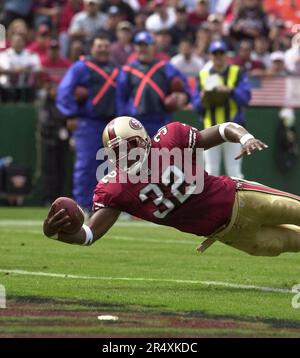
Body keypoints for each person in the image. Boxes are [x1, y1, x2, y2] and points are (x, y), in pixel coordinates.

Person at [43, 116, 300, 258]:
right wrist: (55, 234)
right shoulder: (115, 189)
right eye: (117, 150)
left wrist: (245, 137)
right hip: (228, 234)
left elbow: (222, 130)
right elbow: (89, 235)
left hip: (241, 199)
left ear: (144, 140)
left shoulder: (171, 139)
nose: (125, 154)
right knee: (287, 244)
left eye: (129, 145)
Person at [56, 34, 119, 211]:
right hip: (87, 122)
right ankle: (83, 204)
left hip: (112, 124)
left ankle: (107, 204)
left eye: (106, 46)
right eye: (99, 46)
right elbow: (64, 90)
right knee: (86, 164)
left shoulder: (117, 69)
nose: (103, 49)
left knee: (112, 167)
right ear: (92, 47)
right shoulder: (80, 67)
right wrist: (71, 114)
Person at [193, 41, 251, 178]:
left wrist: (230, 91)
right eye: (215, 53)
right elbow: (196, 105)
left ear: (226, 55)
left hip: (233, 129)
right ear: (210, 56)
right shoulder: (203, 75)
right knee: (211, 171)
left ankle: (237, 200)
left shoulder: (237, 72)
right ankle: (212, 200)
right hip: (210, 130)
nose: (218, 56)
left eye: (221, 53)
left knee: (234, 172)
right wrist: (203, 98)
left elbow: (246, 98)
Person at [116, 31, 190, 137]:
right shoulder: (127, 70)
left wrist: (183, 97)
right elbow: (120, 98)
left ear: (153, 46)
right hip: (136, 122)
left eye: (146, 45)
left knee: (162, 152)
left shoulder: (164, 67)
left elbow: (184, 87)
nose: (143, 49)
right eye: (139, 45)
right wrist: (123, 122)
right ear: (135, 48)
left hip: (161, 120)